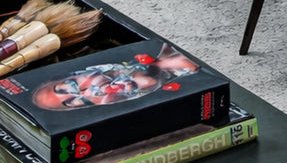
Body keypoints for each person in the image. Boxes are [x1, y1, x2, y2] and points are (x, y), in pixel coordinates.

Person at [30, 42, 200, 111]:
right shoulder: (187, 100)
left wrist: (163, 64)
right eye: (80, 101)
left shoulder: (163, 46)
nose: (88, 92)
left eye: (71, 85)